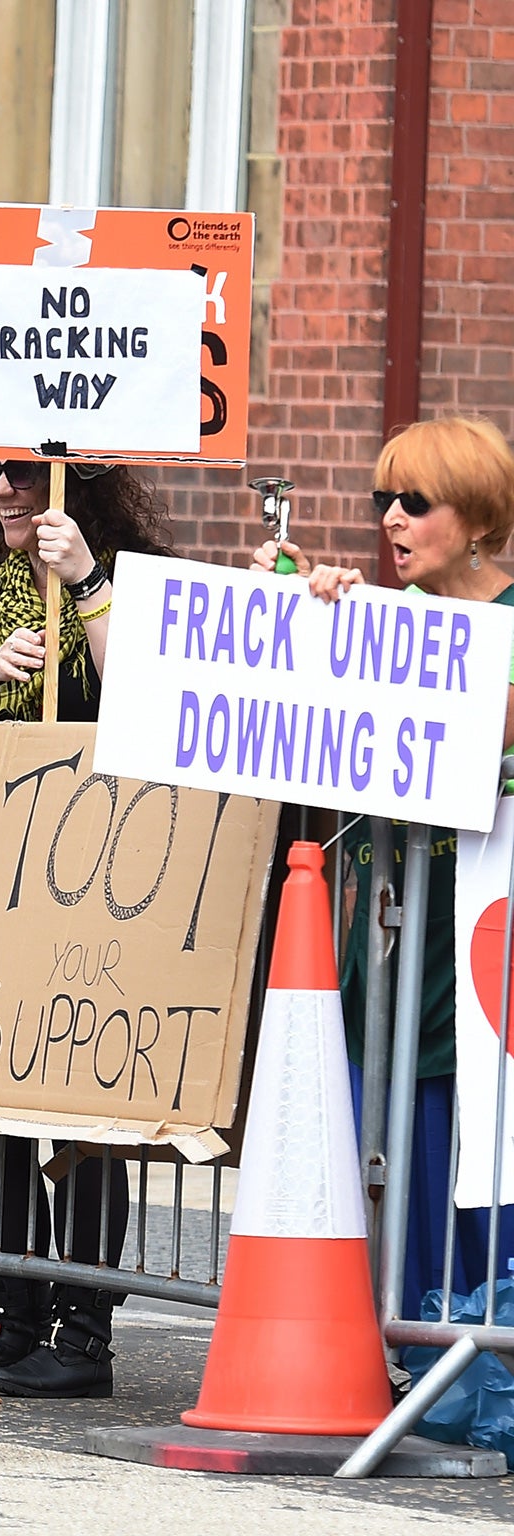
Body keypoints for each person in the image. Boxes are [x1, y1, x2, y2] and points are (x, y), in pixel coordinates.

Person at [0, 456, 175, 1398]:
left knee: (83, 1108)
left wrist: (89, 584)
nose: (6, 492)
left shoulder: (130, 573)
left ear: (76, 486)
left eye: (24, 474)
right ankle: (16, 1318)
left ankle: (85, 1329)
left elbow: (147, 695)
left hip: (102, 874)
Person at [253, 415, 514, 1326]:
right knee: (386, 1161)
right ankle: (407, 1342)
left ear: (478, 519)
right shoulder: (389, 621)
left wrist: (376, 629)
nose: (392, 520)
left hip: (471, 957)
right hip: (384, 951)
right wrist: (308, 618)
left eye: (415, 502)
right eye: (382, 502)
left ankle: (473, 1351)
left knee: (467, 1163)